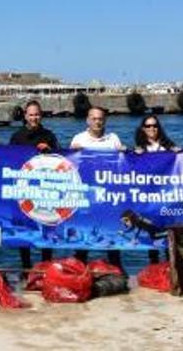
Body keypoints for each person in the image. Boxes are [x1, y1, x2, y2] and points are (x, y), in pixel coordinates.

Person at [70, 106, 124, 266]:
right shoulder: (78, 139)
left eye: (100, 119)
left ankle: (116, 268)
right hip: (86, 195)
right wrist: (73, 152)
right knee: (84, 233)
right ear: (88, 120)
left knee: (110, 233)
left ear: (105, 120)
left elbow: (122, 166)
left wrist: (125, 152)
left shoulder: (113, 139)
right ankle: (79, 267)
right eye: (94, 118)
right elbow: (69, 166)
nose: (97, 122)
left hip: (108, 194)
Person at [9, 100, 59, 269]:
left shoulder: (50, 135)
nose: (34, 118)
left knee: (47, 228)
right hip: (23, 190)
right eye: (31, 115)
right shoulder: (16, 137)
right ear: (25, 116)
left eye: (37, 114)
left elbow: (62, 160)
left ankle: (46, 265)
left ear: (41, 115)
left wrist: (51, 150)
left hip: (45, 190)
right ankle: (26, 267)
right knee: (24, 229)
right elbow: (8, 161)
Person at [134, 114, 180, 264]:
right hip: (148, 198)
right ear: (143, 129)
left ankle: (170, 266)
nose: (152, 128)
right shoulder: (140, 147)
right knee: (151, 234)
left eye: (155, 125)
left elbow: (180, 164)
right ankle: (154, 266)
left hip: (167, 197)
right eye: (148, 126)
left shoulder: (168, 145)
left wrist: (180, 153)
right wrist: (133, 154)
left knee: (168, 234)